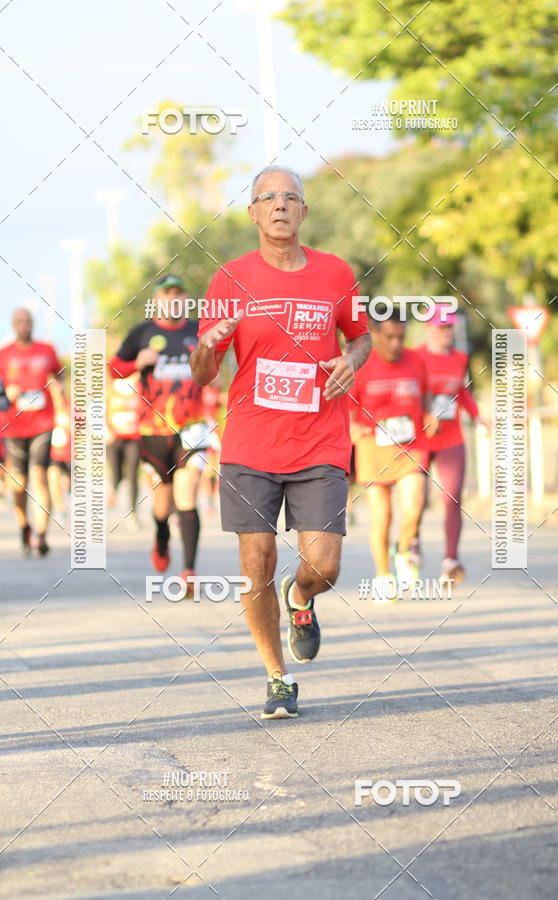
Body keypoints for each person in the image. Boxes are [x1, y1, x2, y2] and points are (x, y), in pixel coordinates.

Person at [191, 164, 371, 719]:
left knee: (324, 566)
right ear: (252, 213)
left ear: (303, 211)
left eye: (290, 197)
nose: (279, 205)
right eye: (268, 197)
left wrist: (352, 359)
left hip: (320, 441)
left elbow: (361, 338)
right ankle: (277, 677)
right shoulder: (230, 279)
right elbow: (203, 374)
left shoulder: (336, 273)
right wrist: (209, 347)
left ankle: (301, 597)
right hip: (250, 445)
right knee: (257, 562)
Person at [109, 275, 212, 588]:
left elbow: (215, 368)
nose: (174, 300)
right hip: (154, 429)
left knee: (187, 492)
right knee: (162, 506)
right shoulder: (142, 333)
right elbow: (114, 369)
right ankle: (162, 536)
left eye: (179, 294)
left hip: (193, 426)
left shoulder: (199, 331)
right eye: (167, 295)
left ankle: (189, 571)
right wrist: (137, 363)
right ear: (157, 301)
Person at [350, 306, 438, 599]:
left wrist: (430, 414)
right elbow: (344, 408)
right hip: (373, 449)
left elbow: (425, 394)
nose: (396, 344)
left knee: (414, 506)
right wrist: (350, 427)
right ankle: (383, 575)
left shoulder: (416, 360)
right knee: (383, 515)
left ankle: (404, 547)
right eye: (389, 337)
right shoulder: (361, 365)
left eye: (401, 336)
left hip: (411, 447)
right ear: (374, 334)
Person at [416, 308, 482, 584]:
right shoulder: (415, 357)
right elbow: (407, 393)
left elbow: (461, 391)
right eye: (441, 327)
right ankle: (412, 544)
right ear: (428, 328)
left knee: (452, 496)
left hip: (451, 436)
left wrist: (477, 416)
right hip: (420, 436)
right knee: (416, 497)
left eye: (450, 326)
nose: (446, 332)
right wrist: (423, 416)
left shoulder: (460, 358)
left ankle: (451, 559)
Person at [0, 308, 65, 556]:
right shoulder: (4, 354)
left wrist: (57, 385)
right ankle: (24, 526)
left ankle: (41, 534)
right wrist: (7, 392)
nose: (24, 325)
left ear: (32, 323)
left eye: (27, 321)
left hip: (43, 423)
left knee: (40, 476)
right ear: (13, 324)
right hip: (14, 425)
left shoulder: (46, 350)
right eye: (19, 321)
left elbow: (59, 375)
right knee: (20, 483)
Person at [106, 373, 141, 529]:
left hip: (134, 439)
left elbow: (146, 411)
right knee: (117, 474)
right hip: (114, 439)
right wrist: (105, 431)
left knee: (133, 474)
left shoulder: (139, 390)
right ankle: (113, 488)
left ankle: (133, 513)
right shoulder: (111, 390)